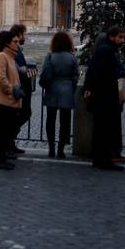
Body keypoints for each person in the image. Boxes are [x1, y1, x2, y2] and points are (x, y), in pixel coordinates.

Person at [83, 26, 125, 171]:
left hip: (103, 96)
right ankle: (104, 160)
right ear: (111, 37)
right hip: (104, 97)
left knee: (101, 129)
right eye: (120, 37)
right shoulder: (106, 51)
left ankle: (99, 158)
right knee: (104, 130)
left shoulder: (106, 50)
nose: (122, 40)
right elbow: (96, 71)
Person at [40, 31, 79, 159]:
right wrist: (71, 88)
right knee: (65, 122)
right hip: (67, 89)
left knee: (50, 120)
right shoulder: (72, 57)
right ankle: (61, 149)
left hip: (52, 89)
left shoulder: (50, 56)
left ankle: (51, 148)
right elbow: (75, 76)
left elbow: (45, 72)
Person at [0, 30, 23, 170]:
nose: (18, 44)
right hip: (4, 101)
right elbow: (0, 78)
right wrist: (12, 90)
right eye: (15, 42)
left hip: (10, 101)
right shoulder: (1, 57)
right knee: (1, 132)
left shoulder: (10, 57)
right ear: (7, 43)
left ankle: (1, 157)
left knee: (6, 132)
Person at [9, 24, 32, 154]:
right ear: (19, 34)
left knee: (22, 114)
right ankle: (9, 142)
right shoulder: (14, 51)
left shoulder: (17, 50)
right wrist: (24, 71)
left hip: (21, 89)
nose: (26, 36)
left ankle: (10, 141)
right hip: (18, 89)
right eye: (25, 33)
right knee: (23, 114)